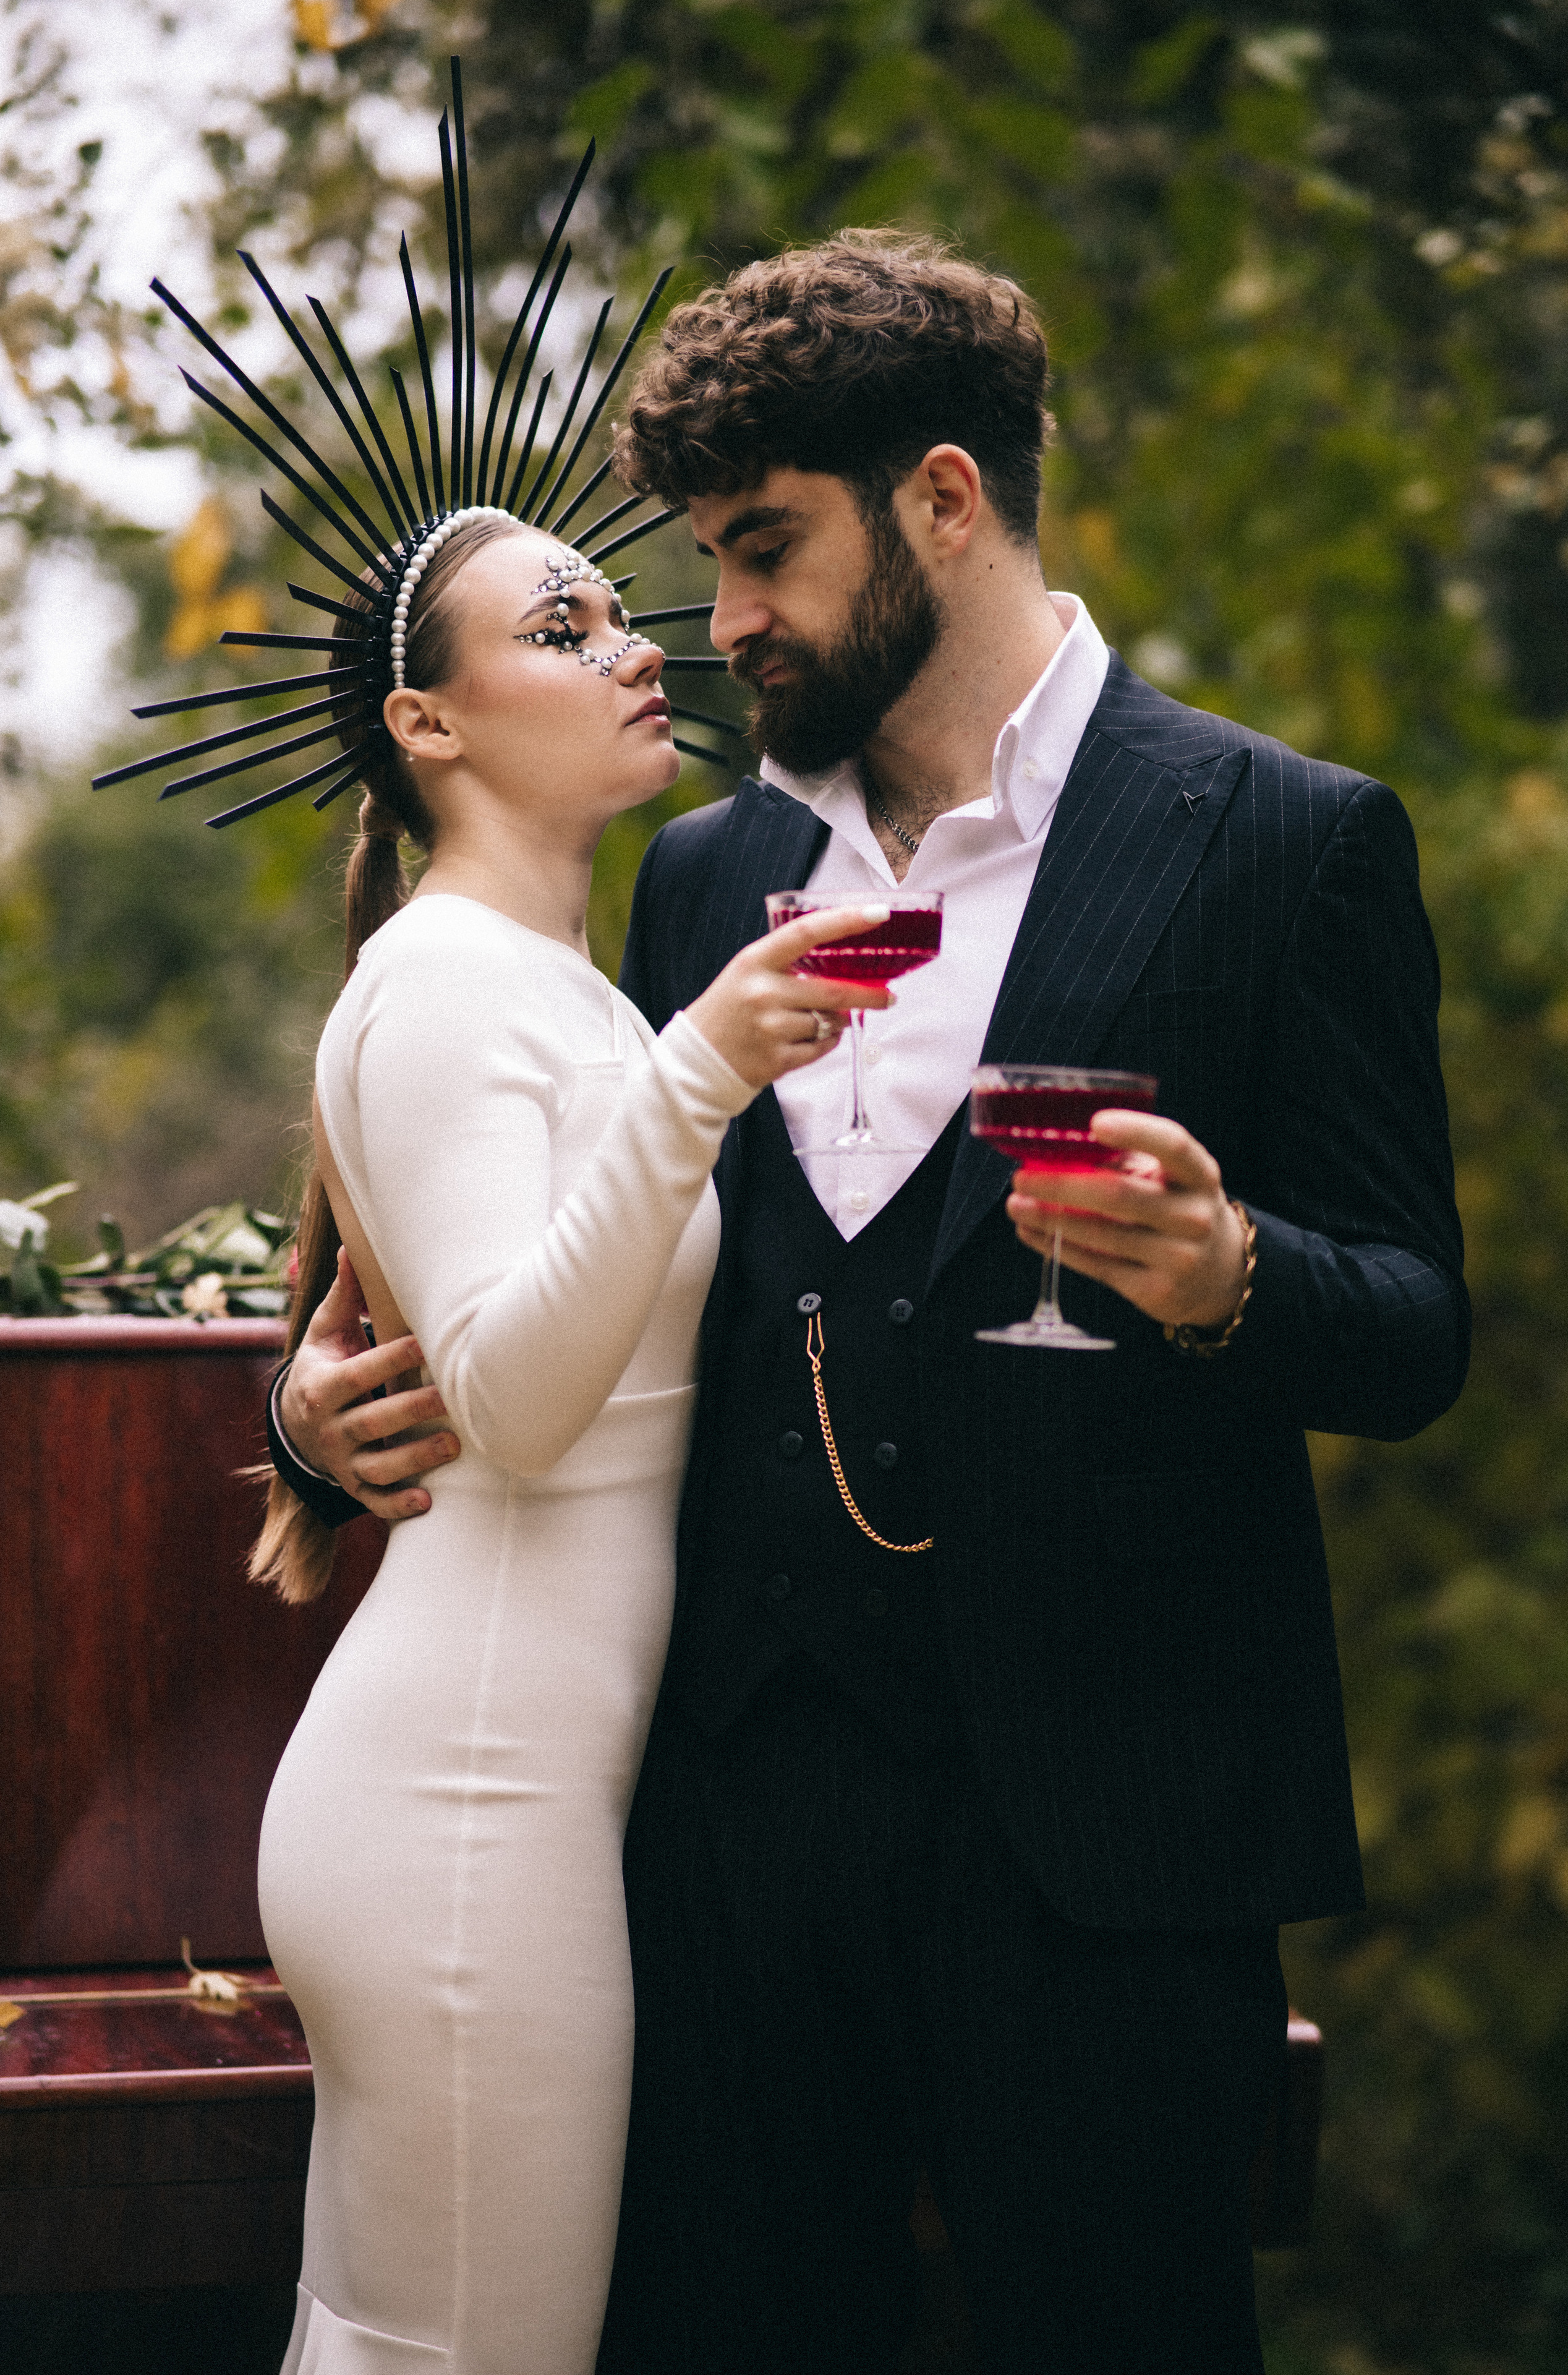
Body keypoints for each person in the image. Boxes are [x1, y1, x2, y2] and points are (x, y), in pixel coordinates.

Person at [271, 234, 1468, 2373]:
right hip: (726, 1841)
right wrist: (299, 1420)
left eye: (762, 553)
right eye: (703, 566)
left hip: (1110, 1854)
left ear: (940, 498)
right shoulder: (708, 877)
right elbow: (544, 1269)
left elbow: (1412, 1327)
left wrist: (1234, 1274)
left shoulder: (1281, 841)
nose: (719, 626)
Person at [250, 506, 887, 2374]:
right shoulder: (446, 987)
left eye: (622, 613)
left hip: (515, 1798)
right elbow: (516, 1410)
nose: (637, 650)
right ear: (427, 724)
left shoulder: (553, 986)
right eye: (563, 626)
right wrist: (712, 1063)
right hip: (463, 1808)